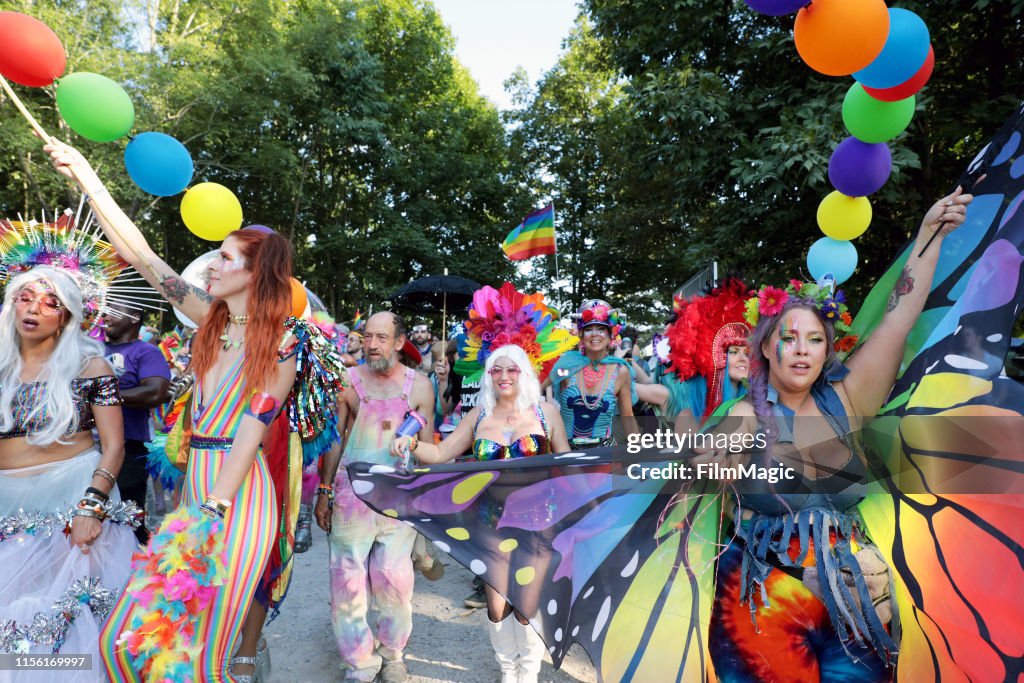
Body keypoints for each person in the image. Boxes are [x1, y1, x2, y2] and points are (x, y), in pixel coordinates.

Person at [44, 138, 344, 683]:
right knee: (125, 646)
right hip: (196, 491)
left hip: (239, 498)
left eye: (225, 259)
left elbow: (255, 423)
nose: (211, 268)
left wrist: (217, 506)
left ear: (257, 272)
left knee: (201, 658)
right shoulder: (207, 321)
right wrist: (83, 175)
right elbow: (138, 252)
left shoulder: (283, 341)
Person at [698, 187, 975, 680]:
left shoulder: (848, 402)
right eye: (788, 338)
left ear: (829, 349)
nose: (801, 350)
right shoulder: (744, 415)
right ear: (765, 347)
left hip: (857, 602)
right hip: (763, 605)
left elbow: (899, 317)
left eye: (814, 340)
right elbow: (696, 487)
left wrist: (928, 237)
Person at [392, 345, 571, 683]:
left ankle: (528, 673)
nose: (503, 376)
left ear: (523, 373)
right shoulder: (478, 415)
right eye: (496, 370)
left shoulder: (546, 412)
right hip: (490, 521)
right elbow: (443, 451)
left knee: (526, 605)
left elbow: (567, 462)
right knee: (497, 604)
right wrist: (413, 444)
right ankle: (508, 671)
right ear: (488, 376)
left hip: (539, 521)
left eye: (511, 369)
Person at [0, 259, 139, 682]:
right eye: (26, 298)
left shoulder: (90, 368)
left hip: (72, 499)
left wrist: (91, 507)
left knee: (61, 619)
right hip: (7, 506)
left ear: (66, 317)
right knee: (13, 618)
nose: (34, 309)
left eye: (49, 303)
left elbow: (114, 447)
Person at [314, 311, 434, 683]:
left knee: (394, 580)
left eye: (381, 337)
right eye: (367, 336)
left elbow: (427, 450)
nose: (371, 344)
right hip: (352, 497)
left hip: (399, 497)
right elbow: (334, 440)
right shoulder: (348, 382)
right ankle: (359, 662)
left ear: (399, 343)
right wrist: (324, 491)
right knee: (347, 581)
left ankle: (392, 653)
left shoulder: (420, 387)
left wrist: (425, 503)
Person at [103, 302, 171, 544]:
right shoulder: (88, 348)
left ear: (134, 316)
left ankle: (134, 576)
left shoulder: (146, 352)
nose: (104, 315)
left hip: (127, 450)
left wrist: (98, 396)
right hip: (81, 449)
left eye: (113, 310)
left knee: (126, 524)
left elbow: (155, 392)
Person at [548, 299, 638, 447]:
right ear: (581, 335)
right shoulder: (565, 367)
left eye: (601, 329)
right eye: (589, 329)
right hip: (566, 452)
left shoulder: (620, 371)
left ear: (611, 336)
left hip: (606, 455)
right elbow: (536, 389)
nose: (595, 334)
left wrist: (638, 451)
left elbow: (627, 416)